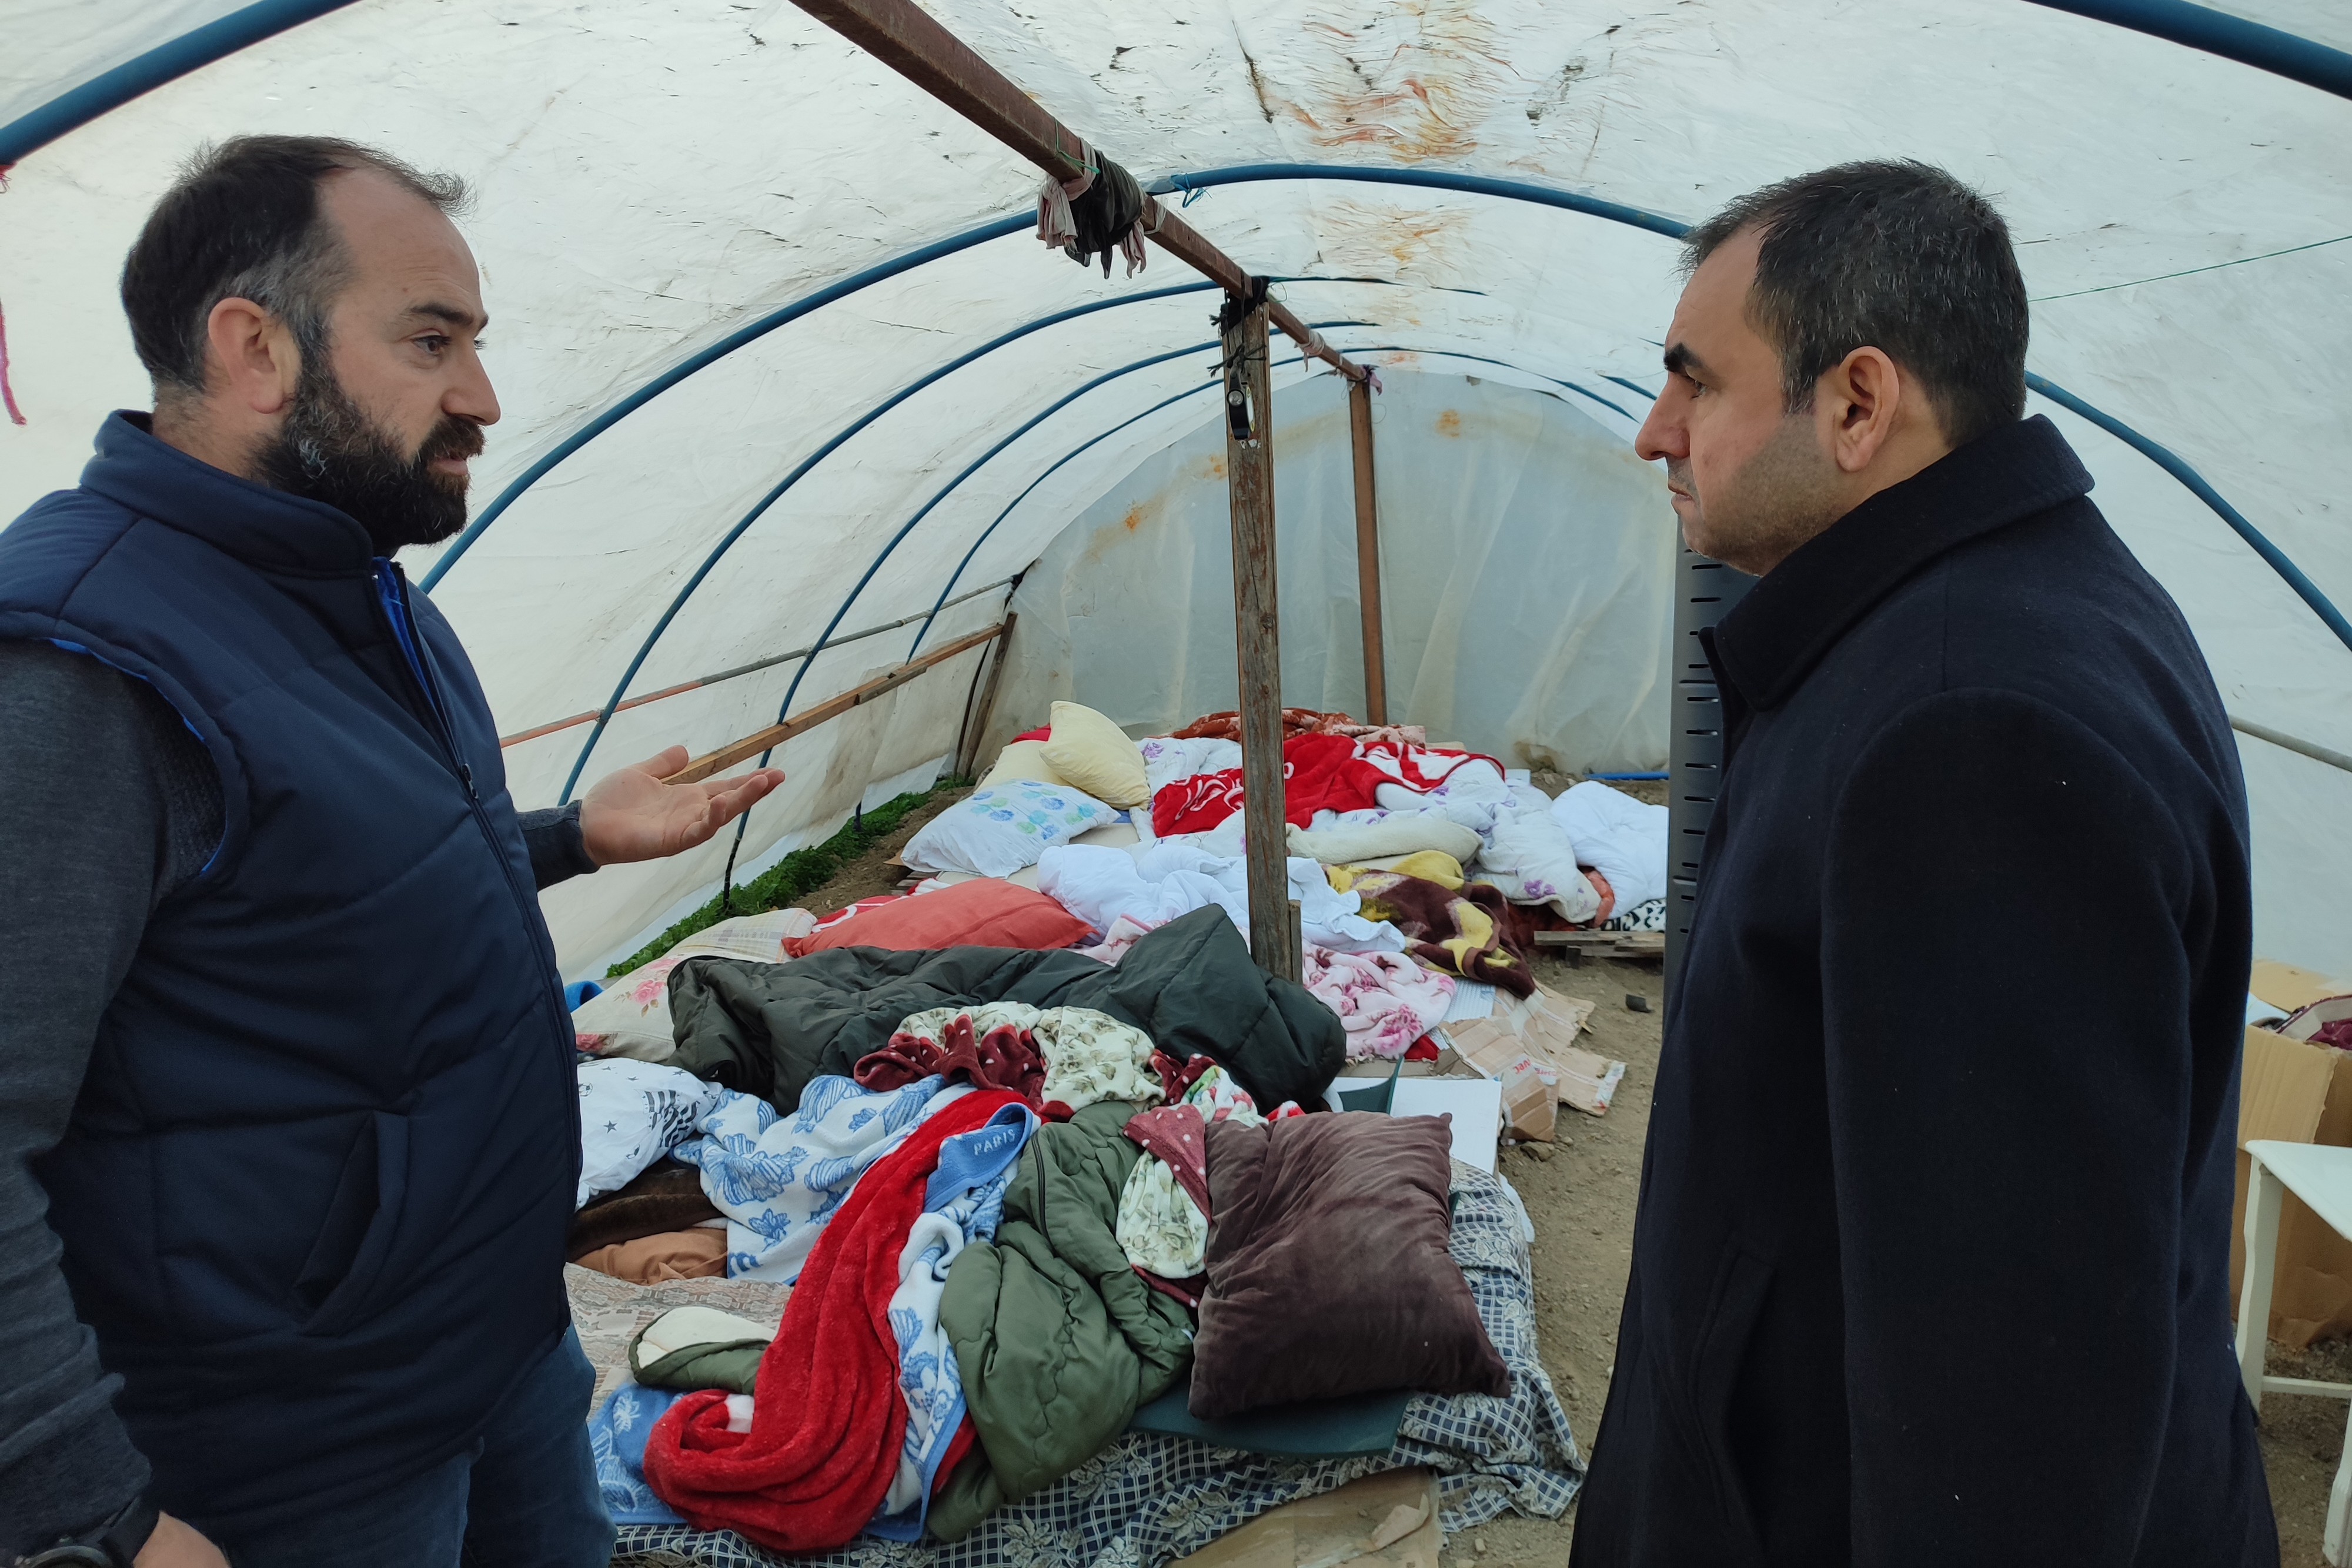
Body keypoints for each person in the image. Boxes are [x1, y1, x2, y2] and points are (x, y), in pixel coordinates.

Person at [0, 137, 781, 1568]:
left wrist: (565, 837)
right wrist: (87, 1519)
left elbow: (316, 883)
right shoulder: (80, 664)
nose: (482, 396)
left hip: (492, 1355)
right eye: (432, 341)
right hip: (292, 1460)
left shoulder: (356, 586)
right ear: (255, 347)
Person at [1569, 162, 2276, 1564]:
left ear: (1855, 403)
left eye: (1693, 382)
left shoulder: (1967, 732)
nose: (1654, 433)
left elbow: (2008, 1425)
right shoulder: (1986, 616)